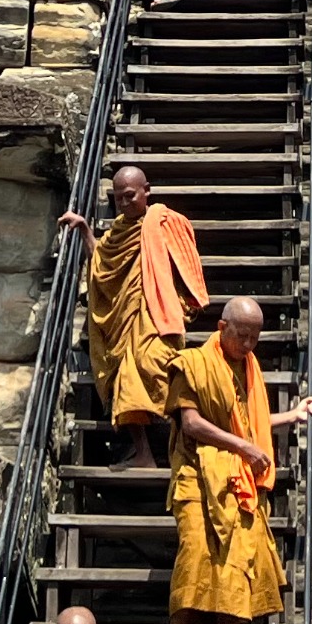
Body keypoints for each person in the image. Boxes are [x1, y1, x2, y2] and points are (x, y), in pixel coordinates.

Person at [159, 295, 312, 624]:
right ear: (222, 328)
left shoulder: (249, 369)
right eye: (241, 336)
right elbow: (193, 423)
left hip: (241, 484)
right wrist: (242, 448)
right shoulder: (193, 364)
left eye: (254, 338)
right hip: (198, 475)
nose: (248, 345)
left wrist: (292, 416)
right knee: (195, 554)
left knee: (241, 570)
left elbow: (253, 425)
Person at [57, 162, 209, 470]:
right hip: (129, 319)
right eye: (118, 198)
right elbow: (101, 266)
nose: (125, 203)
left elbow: (188, 267)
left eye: (130, 196)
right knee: (125, 376)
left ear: (146, 191)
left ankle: (191, 447)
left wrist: (182, 302)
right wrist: (85, 228)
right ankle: (144, 453)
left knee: (153, 367)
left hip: (160, 313)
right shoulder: (116, 232)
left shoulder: (167, 222)